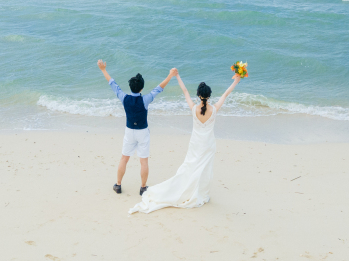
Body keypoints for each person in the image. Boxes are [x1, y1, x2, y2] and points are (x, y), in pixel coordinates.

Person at [128, 71, 242, 214]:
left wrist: (177, 76)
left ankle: (191, 189)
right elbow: (225, 94)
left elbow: (185, 91)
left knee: (190, 166)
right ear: (209, 95)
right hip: (208, 144)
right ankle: (202, 193)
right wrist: (236, 81)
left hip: (195, 143)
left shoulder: (194, 108)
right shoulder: (214, 109)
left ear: (199, 95)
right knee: (205, 169)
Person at [97, 60, 177, 195]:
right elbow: (159, 88)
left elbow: (113, 85)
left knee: (124, 158)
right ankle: (143, 187)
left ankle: (118, 185)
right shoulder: (145, 99)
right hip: (143, 132)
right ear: (141, 88)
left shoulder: (124, 98)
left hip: (129, 132)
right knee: (143, 161)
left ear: (130, 87)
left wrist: (103, 70)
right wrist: (170, 75)